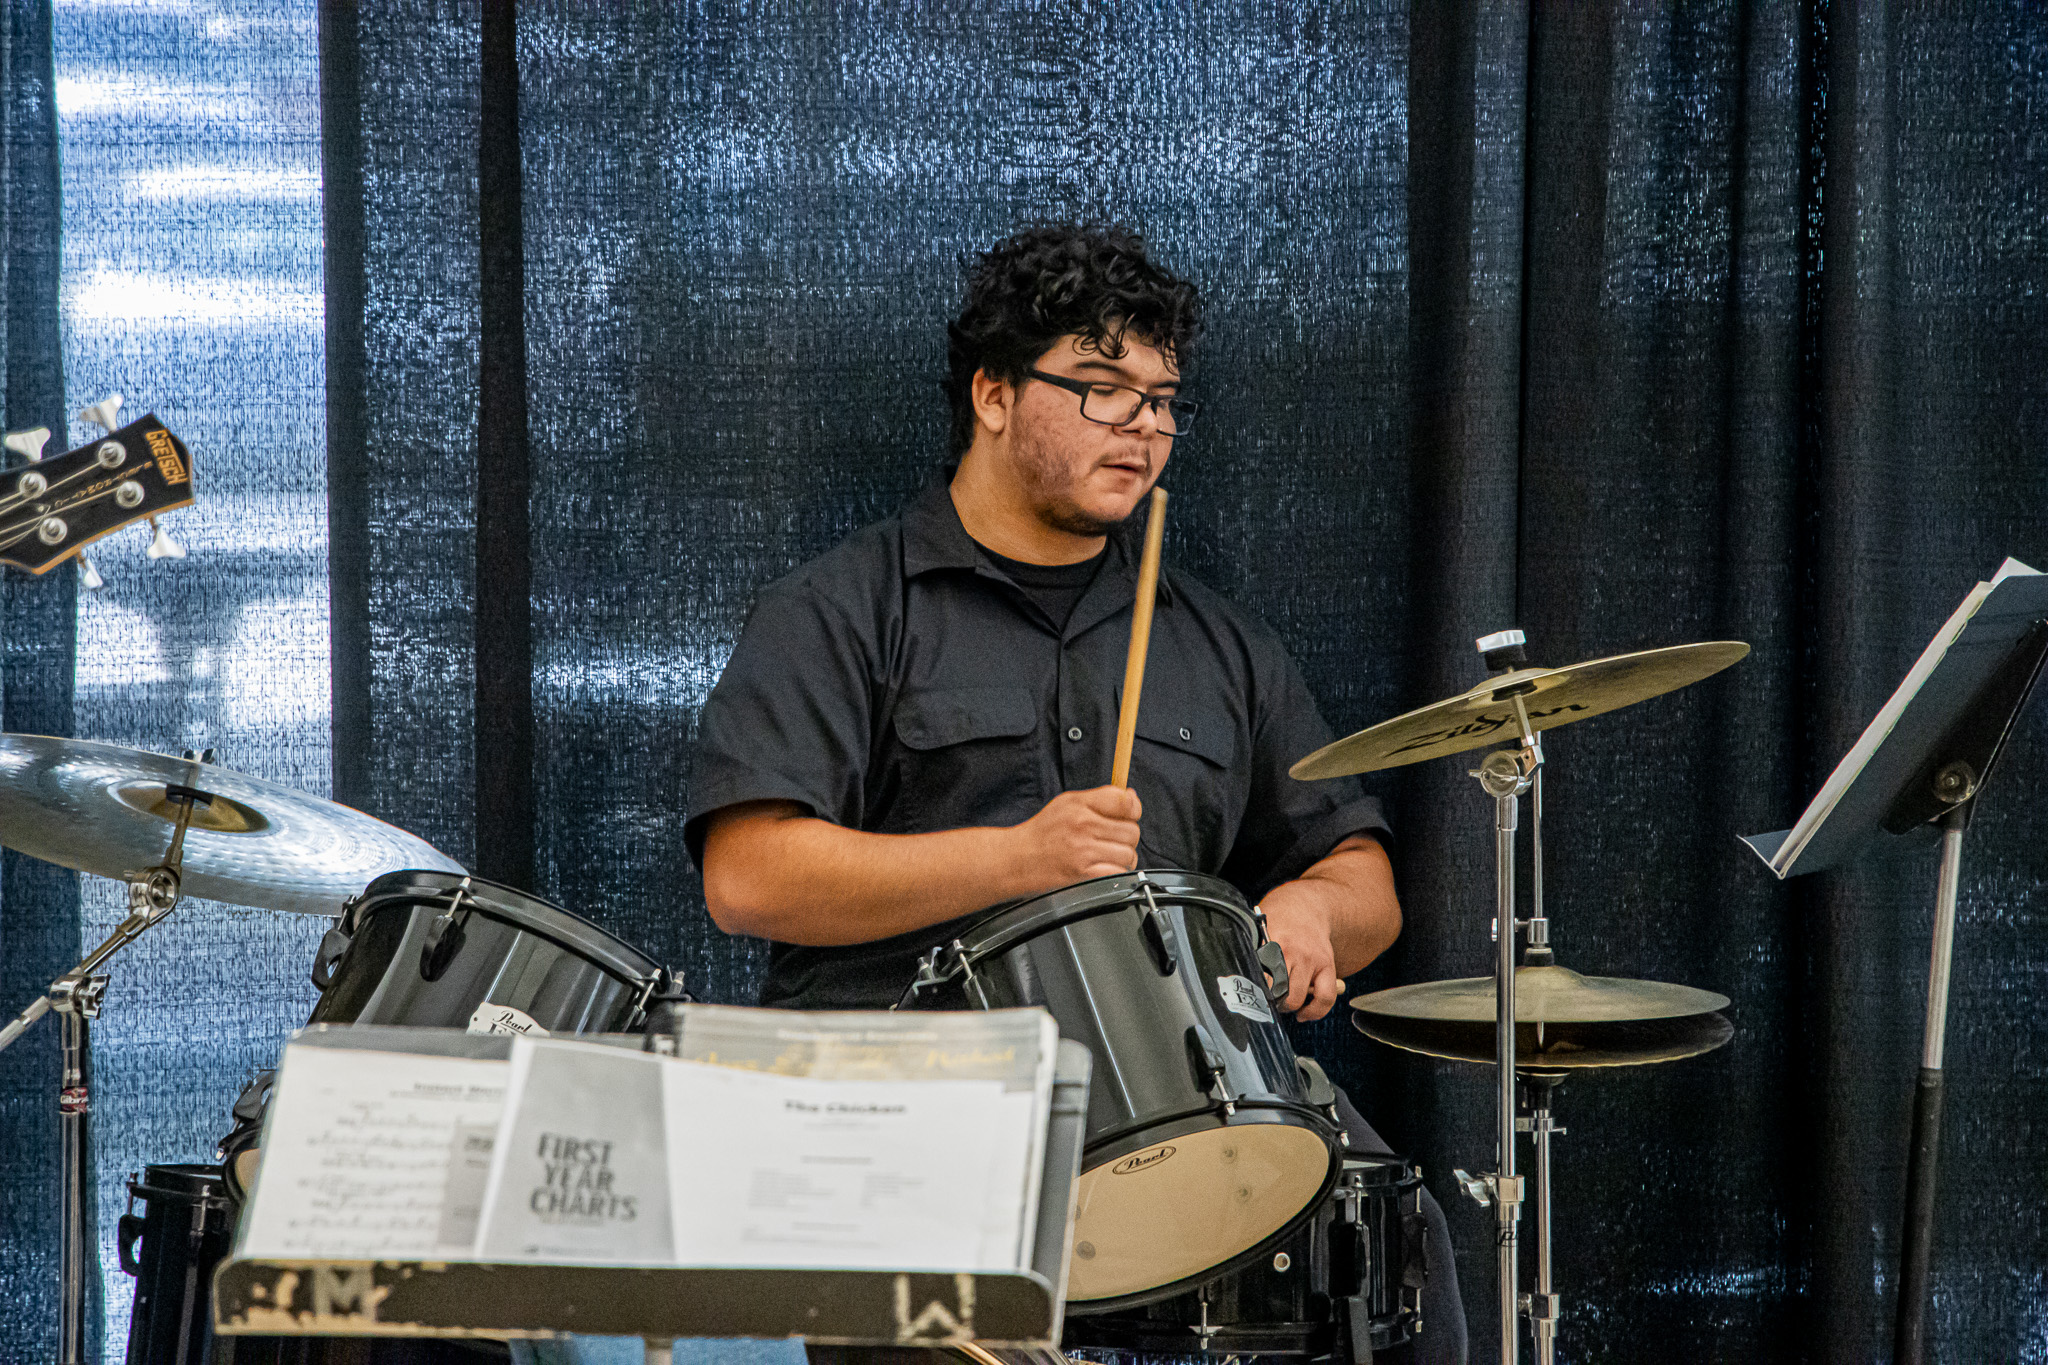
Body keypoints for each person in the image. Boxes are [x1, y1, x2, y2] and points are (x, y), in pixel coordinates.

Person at [685, 223, 1467, 1363]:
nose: (1142, 425)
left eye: (1162, 401)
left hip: (1178, 1082)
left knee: (1392, 1237)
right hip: (907, 1103)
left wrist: (1311, 912)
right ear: (993, 395)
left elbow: (1362, 878)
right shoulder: (841, 612)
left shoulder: (1220, 643)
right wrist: (1016, 858)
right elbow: (748, 878)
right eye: (1102, 389)